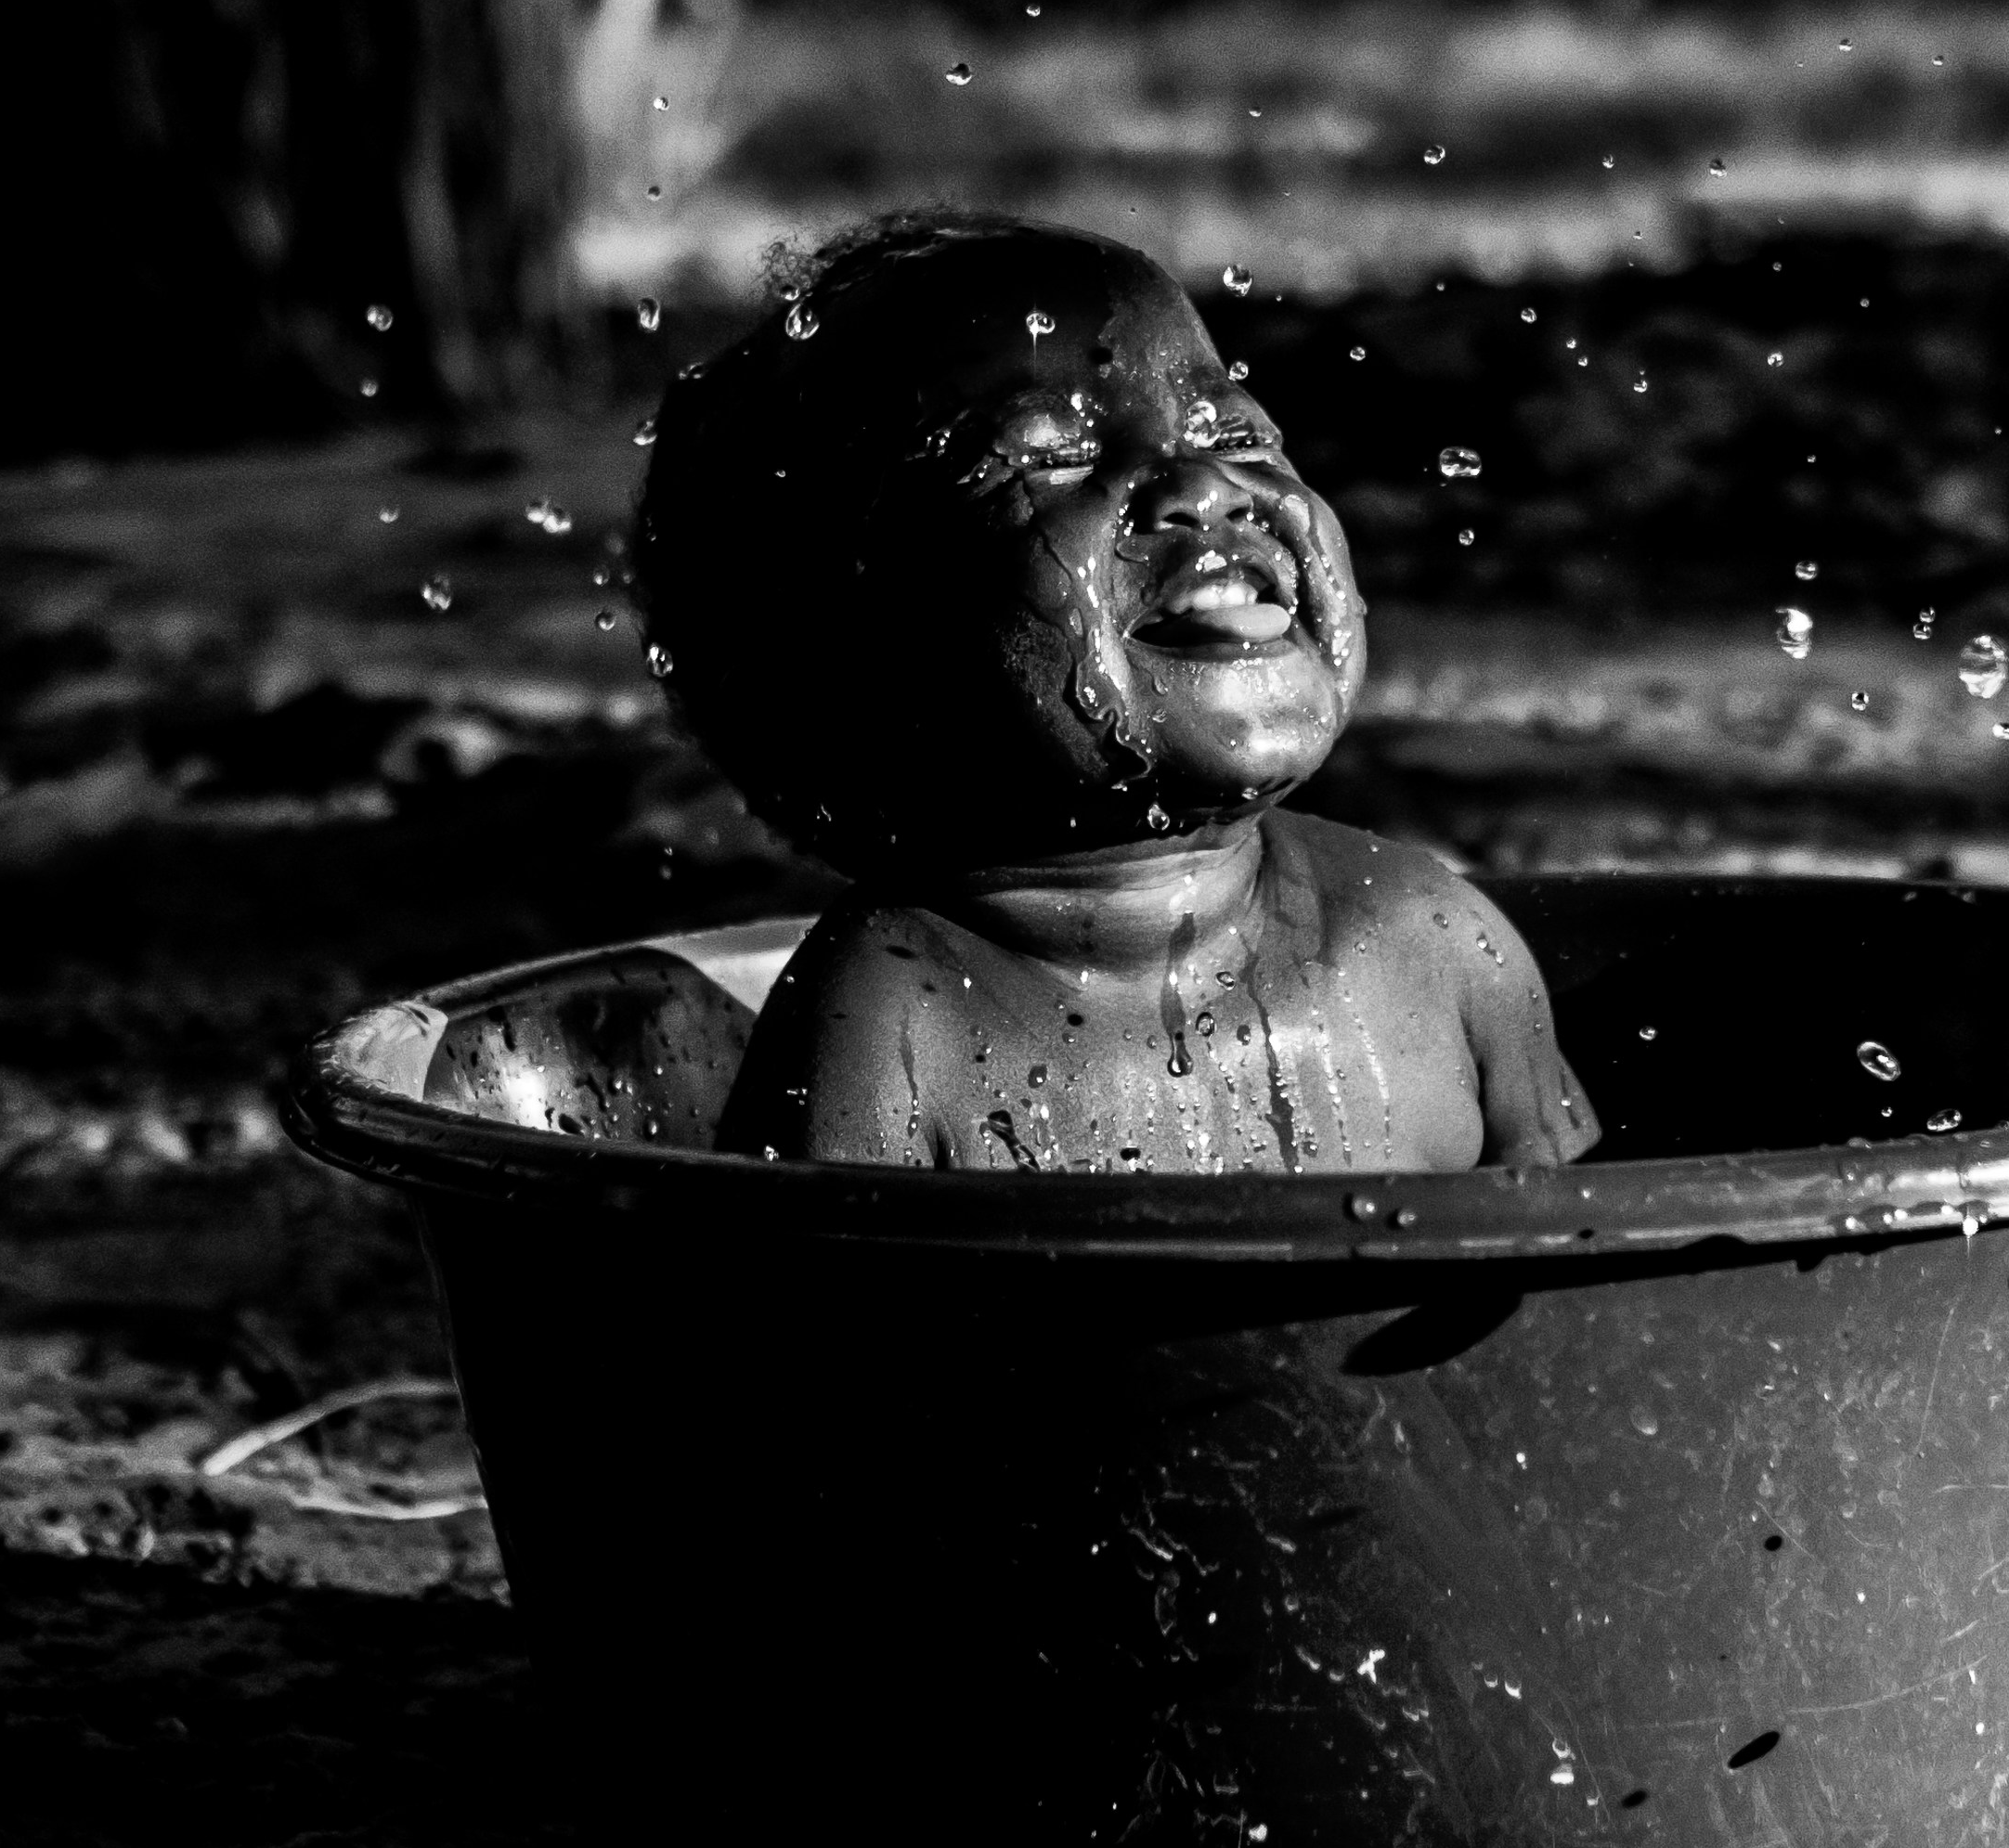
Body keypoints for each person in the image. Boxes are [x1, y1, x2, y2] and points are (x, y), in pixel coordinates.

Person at [632, 210, 1601, 1175]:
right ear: (850, 654)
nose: (1203, 483)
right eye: (1049, 456)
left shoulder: (1430, 939)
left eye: (1232, 430)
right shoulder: (894, 1020)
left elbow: (1605, 1282)